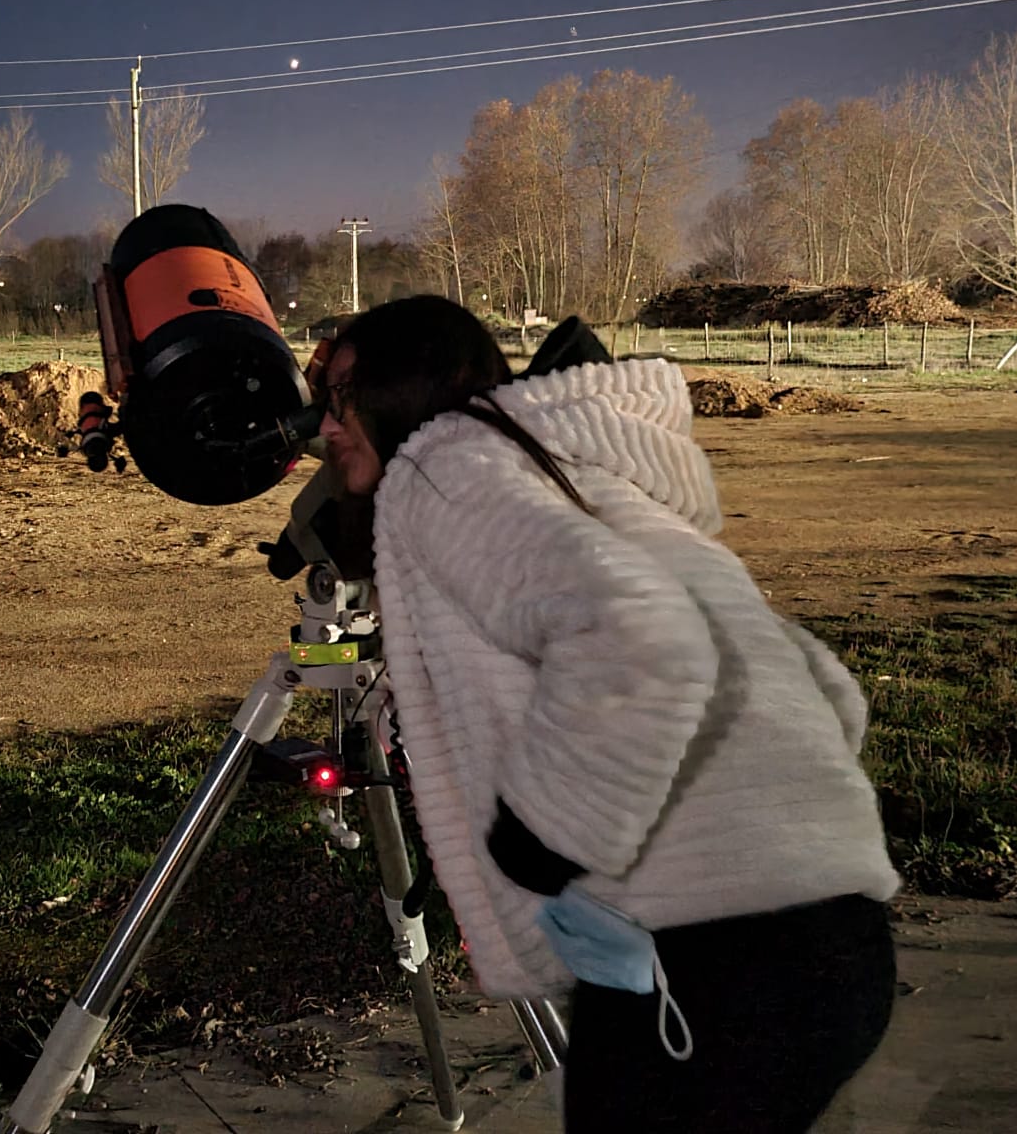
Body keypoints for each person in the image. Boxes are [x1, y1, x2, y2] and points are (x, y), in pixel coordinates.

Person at [313, 295, 900, 1134]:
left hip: (711, 960)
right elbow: (825, 689)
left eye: (341, 394)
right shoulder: (581, 473)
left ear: (405, 389)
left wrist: (547, 833)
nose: (324, 423)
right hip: (836, 938)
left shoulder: (446, 469)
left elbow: (640, 637)